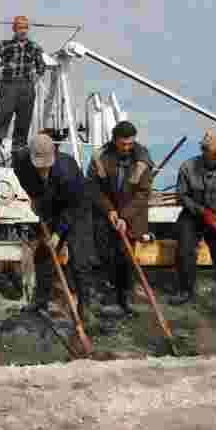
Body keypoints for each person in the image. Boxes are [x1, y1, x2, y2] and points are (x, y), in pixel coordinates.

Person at [13, 133, 99, 316]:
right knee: (44, 255)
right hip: (50, 207)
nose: (43, 171)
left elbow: (72, 206)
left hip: (76, 209)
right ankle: (40, 301)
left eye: (47, 167)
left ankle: (85, 307)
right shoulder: (21, 162)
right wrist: (35, 199)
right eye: (39, 167)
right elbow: (28, 184)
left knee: (80, 259)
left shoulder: (67, 170)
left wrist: (58, 234)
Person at [170, 131, 216, 327]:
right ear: (203, 151)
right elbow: (182, 196)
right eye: (215, 153)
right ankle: (185, 291)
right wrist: (202, 212)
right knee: (185, 250)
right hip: (193, 214)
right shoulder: (187, 167)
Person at [86, 121, 154, 318]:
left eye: (130, 143)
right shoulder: (100, 157)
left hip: (132, 215)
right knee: (106, 254)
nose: (127, 147)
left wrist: (124, 216)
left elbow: (143, 193)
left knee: (126, 256)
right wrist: (109, 210)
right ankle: (109, 294)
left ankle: (125, 297)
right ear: (115, 140)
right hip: (106, 213)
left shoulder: (143, 160)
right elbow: (93, 187)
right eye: (123, 143)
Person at [0, 15, 46, 152]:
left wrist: (36, 77)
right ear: (14, 28)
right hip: (9, 85)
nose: (23, 30)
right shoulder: (4, 44)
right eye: (20, 27)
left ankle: (19, 147)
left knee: (24, 119)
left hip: (27, 86)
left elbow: (42, 66)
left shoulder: (34, 47)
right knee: (3, 115)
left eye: (25, 27)